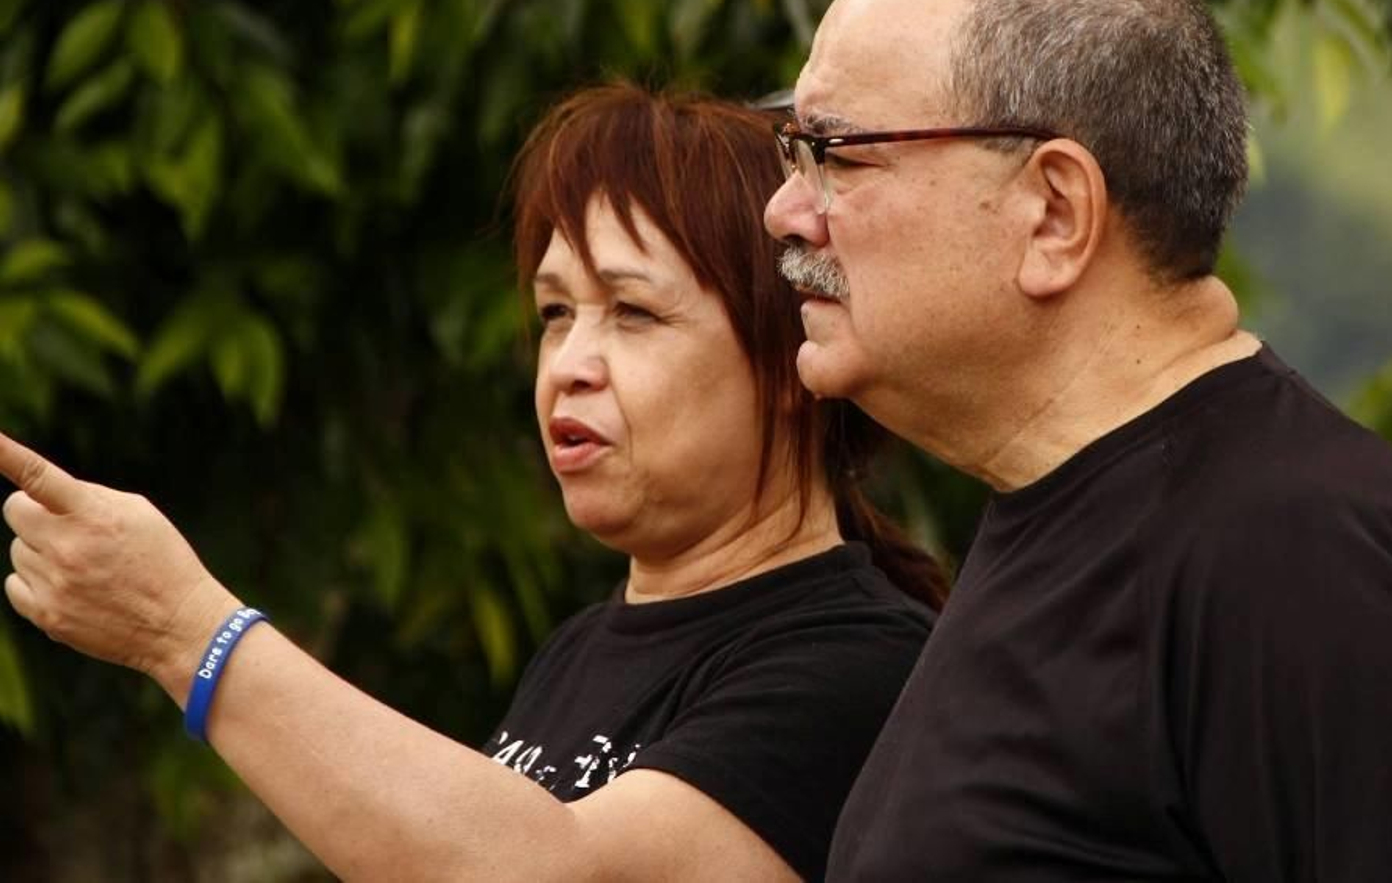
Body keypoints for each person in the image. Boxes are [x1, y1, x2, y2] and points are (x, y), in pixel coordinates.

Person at [764, 0, 1392, 881]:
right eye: (794, 151)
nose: (785, 209)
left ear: (1055, 212)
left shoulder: (1305, 558)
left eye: (837, 152)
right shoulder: (1073, 513)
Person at [1, 83, 941, 882]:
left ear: (789, 366)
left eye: (633, 312)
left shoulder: (863, 667)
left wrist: (187, 631)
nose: (569, 364)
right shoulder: (578, 649)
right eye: (556, 311)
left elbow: (548, 870)